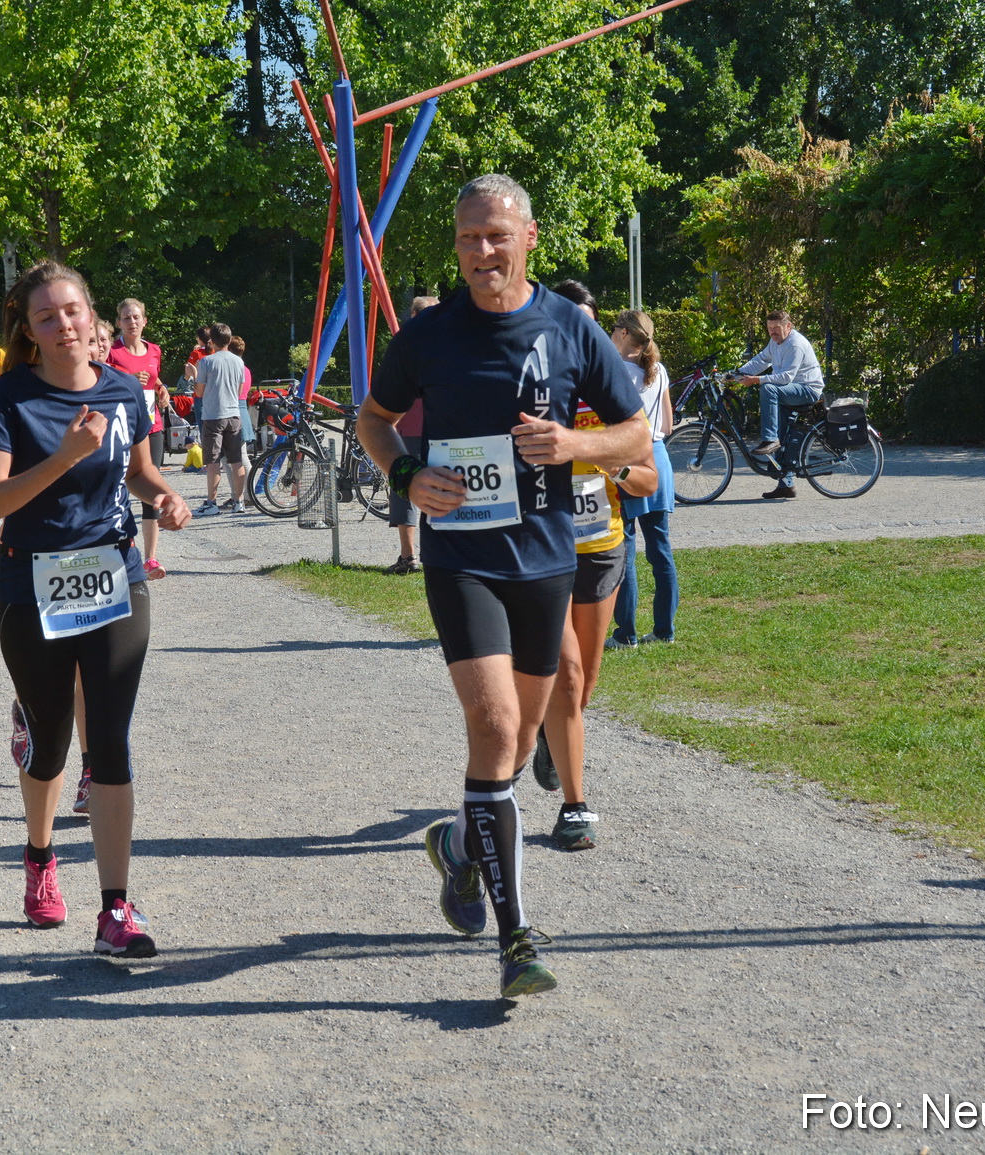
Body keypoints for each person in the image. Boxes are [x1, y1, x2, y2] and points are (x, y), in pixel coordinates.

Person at [357, 174, 649, 998]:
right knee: (492, 727)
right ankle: (518, 937)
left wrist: (573, 445)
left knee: (522, 743)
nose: (481, 253)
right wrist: (407, 474)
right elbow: (372, 419)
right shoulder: (429, 334)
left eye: (495, 236)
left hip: (548, 557)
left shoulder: (567, 327)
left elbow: (637, 437)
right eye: (467, 239)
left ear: (528, 236)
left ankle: (457, 843)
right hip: (461, 556)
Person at [0, 259, 190, 957]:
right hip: (33, 584)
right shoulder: (6, 399)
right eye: (45, 316)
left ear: (91, 317)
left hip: (114, 576)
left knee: (112, 744)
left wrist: (164, 495)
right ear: (29, 332)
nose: (63, 324)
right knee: (51, 743)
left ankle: (116, 909)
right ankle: (39, 855)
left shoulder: (126, 390)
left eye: (72, 310)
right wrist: (65, 456)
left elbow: (137, 467)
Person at [526, 285, 660, 851]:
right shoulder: (530, 393)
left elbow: (650, 478)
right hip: (543, 550)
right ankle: (574, 806)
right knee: (569, 673)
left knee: (585, 684)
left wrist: (608, 462)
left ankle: (551, 743)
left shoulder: (611, 399)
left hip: (602, 546)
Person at [608, 310, 680, 647]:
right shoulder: (660, 371)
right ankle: (664, 630)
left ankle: (627, 634)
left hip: (629, 459)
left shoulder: (613, 371)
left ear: (623, 333)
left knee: (626, 549)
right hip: (659, 456)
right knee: (660, 548)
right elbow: (668, 425)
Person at [105, 298, 169, 575]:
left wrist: (163, 390)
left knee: (150, 489)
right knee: (115, 488)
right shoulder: (112, 351)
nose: (132, 322)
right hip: (120, 428)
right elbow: (101, 380)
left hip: (150, 426)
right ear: (119, 322)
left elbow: (155, 381)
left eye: (136, 317)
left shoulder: (154, 350)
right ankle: (115, 550)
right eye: (127, 318)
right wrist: (130, 380)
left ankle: (151, 558)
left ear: (145, 321)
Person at [736, 309, 823, 498]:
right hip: (789, 391)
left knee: (768, 388)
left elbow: (786, 378)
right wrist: (737, 372)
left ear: (788, 326)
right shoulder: (775, 342)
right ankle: (786, 484)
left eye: (776, 328)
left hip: (807, 390)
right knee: (784, 433)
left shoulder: (795, 344)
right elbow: (761, 360)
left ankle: (770, 439)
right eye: (769, 328)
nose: (772, 332)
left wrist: (756, 380)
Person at [383, 295, 438, 575]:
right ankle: (424, 556)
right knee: (431, 490)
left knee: (405, 490)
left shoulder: (404, 346)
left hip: (413, 430)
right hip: (436, 430)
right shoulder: (447, 344)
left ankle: (409, 557)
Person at [191, 323, 246, 516]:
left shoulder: (207, 362)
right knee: (236, 460)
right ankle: (239, 501)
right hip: (234, 414)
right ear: (229, 340)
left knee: (213, 461)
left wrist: (193, 376)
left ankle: (211, 503)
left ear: (211, 341)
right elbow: (240, 390)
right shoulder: (239, 362)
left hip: (214, 415)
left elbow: (199, 391)